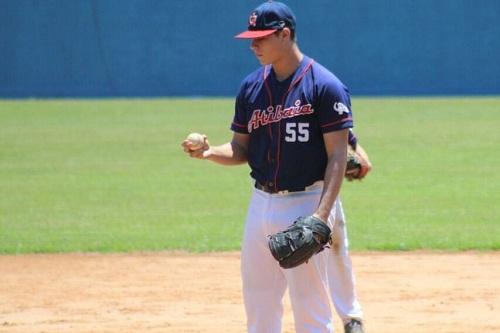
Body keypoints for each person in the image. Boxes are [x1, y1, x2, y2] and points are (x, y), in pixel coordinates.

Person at [182, 2, 361, 332]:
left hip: (307, 202)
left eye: (261, 38)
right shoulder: (251, 87)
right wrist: (208, 152)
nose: (253, 45)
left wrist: (321, 217)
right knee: (259, 304)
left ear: (285, 34)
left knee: (311, 310)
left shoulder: (324, 85)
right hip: (260, 203)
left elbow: (338, 156)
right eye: (251, 38)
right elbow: (239, 149)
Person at [328, 129, 372, 333]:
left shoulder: (325, 100)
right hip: (278, 192)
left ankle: (352, 319)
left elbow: (359, 153)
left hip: (325, 191)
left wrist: (360, 161)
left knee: (337, 250)